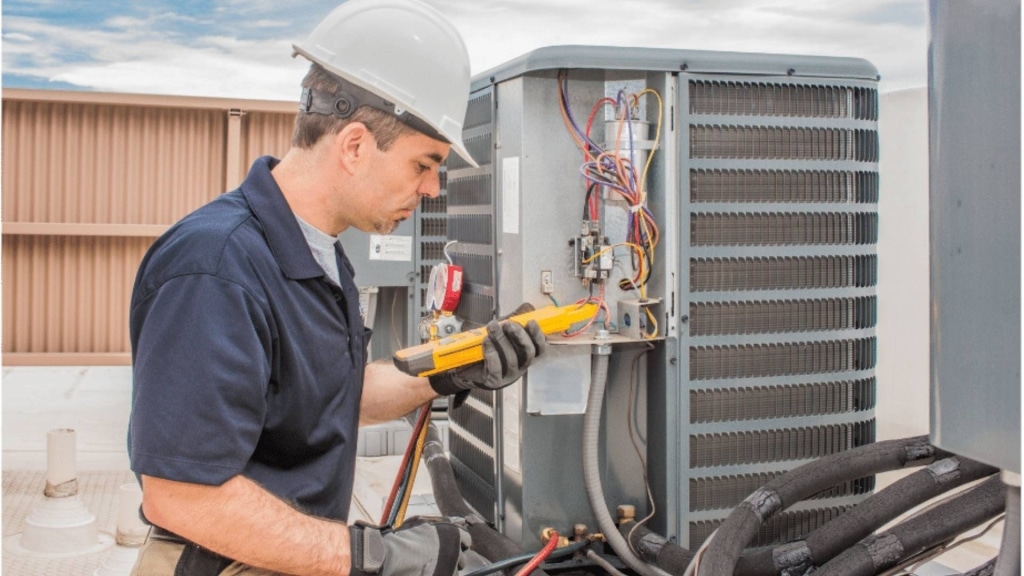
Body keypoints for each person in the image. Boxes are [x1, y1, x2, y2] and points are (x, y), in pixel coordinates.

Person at [126, 1, 546, 575]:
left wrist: (454, 368)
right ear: (354, 145)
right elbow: (181, 494)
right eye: (425, 164)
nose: (432, 189)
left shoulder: (319, 253)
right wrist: (375, 556)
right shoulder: (216, 268)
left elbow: (331, 400)